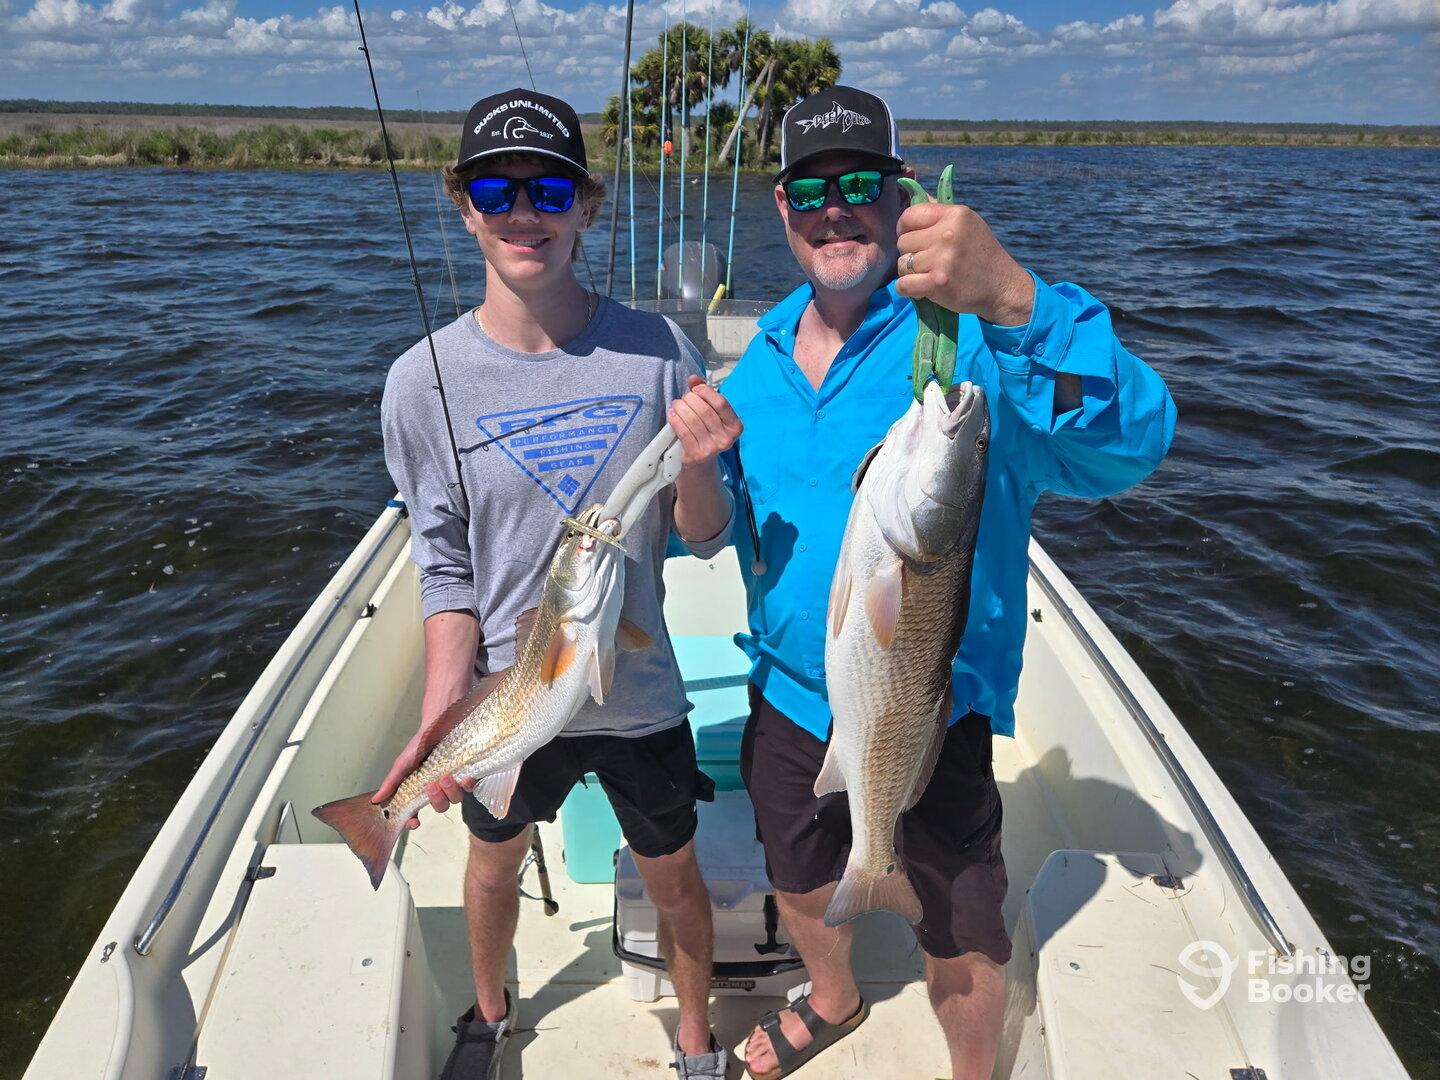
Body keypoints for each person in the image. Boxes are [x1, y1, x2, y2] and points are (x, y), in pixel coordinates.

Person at [675, 86, 1176, 1079]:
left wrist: (1015, 297)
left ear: (900, 192)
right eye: (811, 188)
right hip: (787, 693)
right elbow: (705, 536)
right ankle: (834, 993)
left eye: (861, 183)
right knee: (805, 870)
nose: (835, 207)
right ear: (781, 207)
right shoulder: (756, 364)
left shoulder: (979, 348)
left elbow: (1135, 446)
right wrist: (695, 463)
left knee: (961, 915)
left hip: (931, 708)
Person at [375, 88, 740, 1080]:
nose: (523, 208)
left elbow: (704, 536)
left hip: (641, 690)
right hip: (512, 693)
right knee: (490, 864)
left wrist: (701, 463)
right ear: (464, 205)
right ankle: (490, 1016)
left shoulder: (659, 352)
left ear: (587, 204)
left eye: (550, 187)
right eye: (497, 186)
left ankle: (697, 1041)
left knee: (674, 879)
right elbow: (444, 567)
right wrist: (441, 716)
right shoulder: (420, 382)